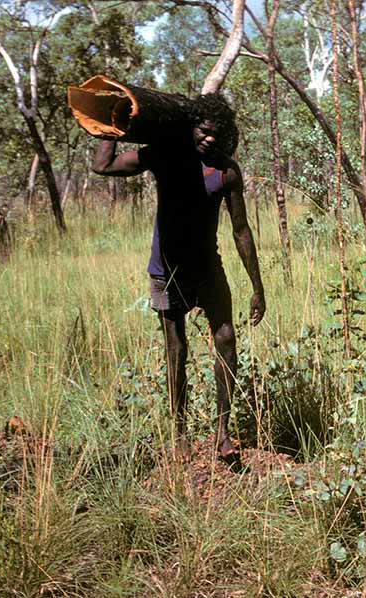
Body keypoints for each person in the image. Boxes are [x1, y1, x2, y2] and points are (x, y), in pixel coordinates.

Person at [92, 92, 265, 460]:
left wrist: (257, 286)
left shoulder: (226, 170)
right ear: (191, 128)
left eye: (217, 133)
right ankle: (179, 434)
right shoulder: (165, 156)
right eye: (203, 131)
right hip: (166, 271)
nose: (210, 139)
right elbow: (104, 167)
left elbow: (241, 231)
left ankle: (222, 432)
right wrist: (110, 126)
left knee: (227, 340)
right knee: (176, 351)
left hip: (208, 269)